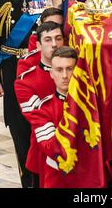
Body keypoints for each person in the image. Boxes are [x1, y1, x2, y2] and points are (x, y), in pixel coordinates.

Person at [0, 0, 54, 187]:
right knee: (19, 126)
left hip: (42, 70)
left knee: (44, 124)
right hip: (13, 71)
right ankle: (27, 181)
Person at [15, 21, 65, 187]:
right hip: (43, 151)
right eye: (48, 40)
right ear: (38, 45)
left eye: (58, 38)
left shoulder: (78, 72)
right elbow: (38, 117)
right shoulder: (26, 81)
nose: (54, 44)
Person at [28, 46, 78, 187]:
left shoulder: (90, 107)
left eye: (69, 69)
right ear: (51, 73)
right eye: (59, 69)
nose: (64, 75)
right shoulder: (43, 108)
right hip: (56, 178)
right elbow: (50, 147)